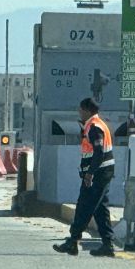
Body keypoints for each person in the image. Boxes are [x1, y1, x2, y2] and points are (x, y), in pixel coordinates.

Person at [53, 97, 116, 257]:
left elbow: (99, 152)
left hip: (98, 174)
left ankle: (73, 241)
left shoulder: (94, 127)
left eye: (80, 110)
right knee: (100, 210)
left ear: (87, 110)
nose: (79, 112)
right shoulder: (95, 125)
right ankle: (108, 244)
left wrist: (89, 174)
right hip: (102, 172)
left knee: (84, 206)